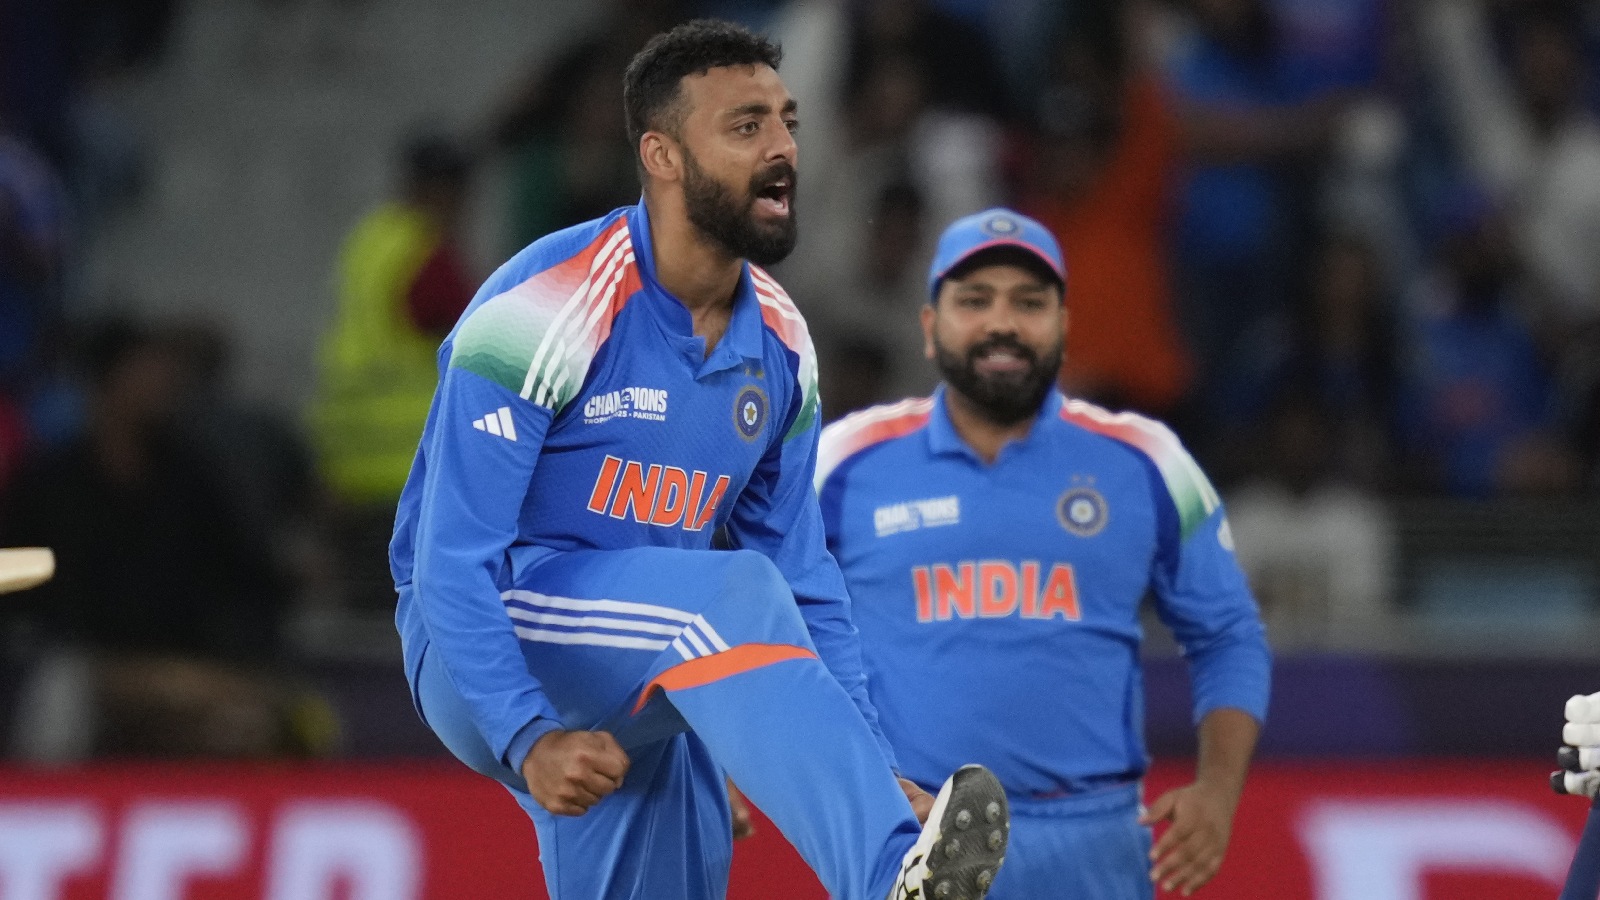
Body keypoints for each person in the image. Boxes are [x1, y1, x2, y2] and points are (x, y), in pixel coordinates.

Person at [391, 20, 1008, 900]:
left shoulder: (785, 344)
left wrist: (869, 772)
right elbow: (449, 560)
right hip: (481, 643)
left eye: (788, 122)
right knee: (735, 594)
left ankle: (882, 843)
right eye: (746, 126)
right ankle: (882, 882)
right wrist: (527, 736)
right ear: (664, 156)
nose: (785, 149)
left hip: (646, 664)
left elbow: (808, 585)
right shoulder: (545, 305)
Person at [815, 208, 1271, 899]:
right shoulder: (841, 461)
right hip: (910, 837)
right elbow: (759, 623)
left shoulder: (1147, 460)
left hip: (1095, 845)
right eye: (975, 301)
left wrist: (1219, 790)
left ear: (1064, 322)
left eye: (1029, 303)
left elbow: (1230, 633)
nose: (1003, 323)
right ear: (931, 328)